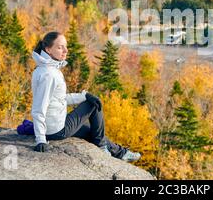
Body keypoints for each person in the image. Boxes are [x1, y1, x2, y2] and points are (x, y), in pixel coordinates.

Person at [31, 31, 141, 162]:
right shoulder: (49, 74)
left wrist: (84, 96)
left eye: (65, 46)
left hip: (56, 123)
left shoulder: (46, 69)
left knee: (93, 133)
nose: (65, 50)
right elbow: (38, 109)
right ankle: (101, 147)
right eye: (60, 47)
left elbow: (60, 99)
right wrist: (40, 140)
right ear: (48, 49)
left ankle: (122, 153)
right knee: (93, 105)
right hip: (56, 130)